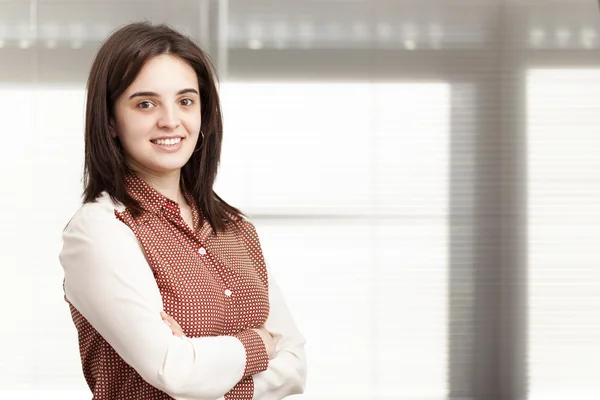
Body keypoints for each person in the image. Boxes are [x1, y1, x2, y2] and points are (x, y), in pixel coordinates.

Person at [59, 22, 307, 400]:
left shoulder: (235, 228)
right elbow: (173, 371)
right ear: (110, 120)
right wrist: (259, 343)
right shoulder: (99, 230)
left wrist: (200, 365)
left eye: (185, 101)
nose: (171, 121)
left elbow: (294, 367)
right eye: (145, 103)